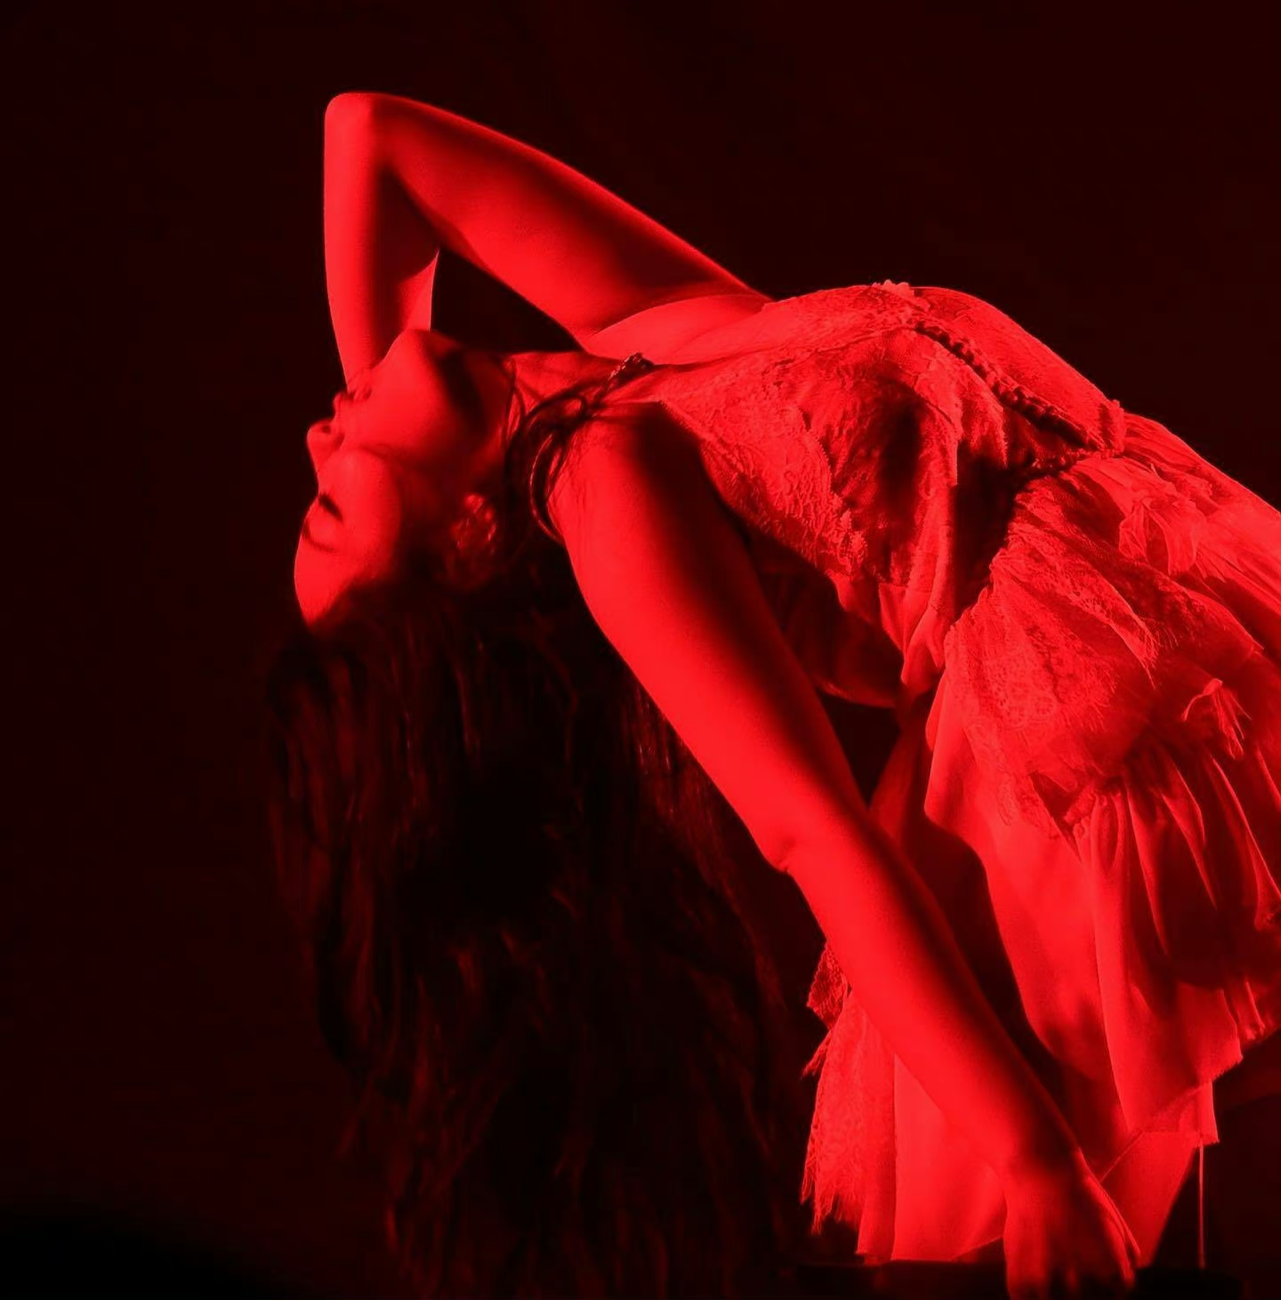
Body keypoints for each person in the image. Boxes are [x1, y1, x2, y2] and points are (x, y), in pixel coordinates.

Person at [265, 90, 1280, 1300]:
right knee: (1054, 1250)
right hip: (1079, 759)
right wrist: (1032, 1160)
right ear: (476, 541)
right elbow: (807, 828)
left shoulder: (657, 343)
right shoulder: (599, 478)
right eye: (333, 502)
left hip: (1193, 639)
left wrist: (389, 423)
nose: (317, 438)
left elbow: (369, 134)